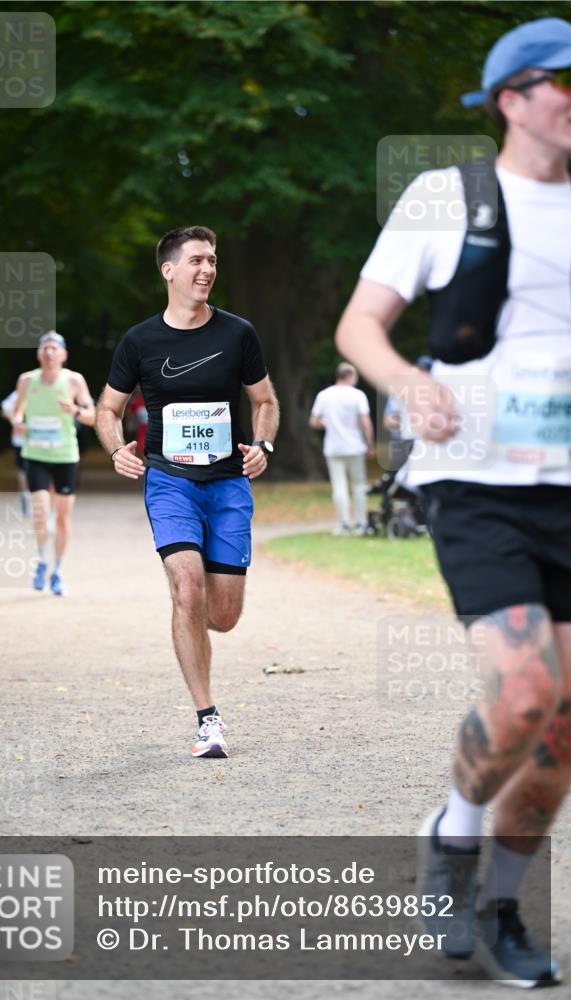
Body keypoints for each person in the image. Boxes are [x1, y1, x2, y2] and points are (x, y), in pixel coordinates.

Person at [336, 16, 571, 986]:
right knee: (523, 694)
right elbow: (360, 324)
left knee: (561, 731)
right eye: (568, 81)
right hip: (475, 479)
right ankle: (454, 827)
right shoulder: (450, 196)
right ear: (512, 98)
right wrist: (406, 382)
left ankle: (501, 905)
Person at [96, 226, 279, 759]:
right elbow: (107, 409)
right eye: (197, 260)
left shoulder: (238, 333)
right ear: (169, 270)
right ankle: (208, 720)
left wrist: (263, 443)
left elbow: (265, 401)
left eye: (213, 260)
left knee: (223, 616)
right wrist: (115, 449)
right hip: (169, 481)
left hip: (227, 484)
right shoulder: (140, 341)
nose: (207, 269)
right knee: (188, 590)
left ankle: (190, 612)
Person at [12, 331, 96, 596]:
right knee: (40, 512)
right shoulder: (27, 380)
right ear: (39, 354)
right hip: (35, 454)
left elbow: (92, 416)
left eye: (54, 348)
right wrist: (17, 421)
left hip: (65, 456)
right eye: (45, 348)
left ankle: (57, 570)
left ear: (64, 355)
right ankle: (41, 560)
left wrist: (76, 411)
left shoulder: (74, 380)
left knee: (62, 517)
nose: (49, 353)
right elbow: (17, 409)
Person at [308, 362, 375, 536]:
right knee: (359, 486)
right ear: (351, 376)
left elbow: (314, 421)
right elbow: (365, 422)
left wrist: (326, 423)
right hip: (355, 447)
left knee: (339, 487)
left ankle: (344, 524)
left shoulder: (324, 395)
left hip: (333, 447)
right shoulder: (358, 395)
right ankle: (360, 523)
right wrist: (369, 444)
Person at [0, 388, 30, 515]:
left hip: (41, 442)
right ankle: (25, 498)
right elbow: (4, 410)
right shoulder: (19, 392)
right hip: (20, 441)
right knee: (23, 472)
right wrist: (15, 421)